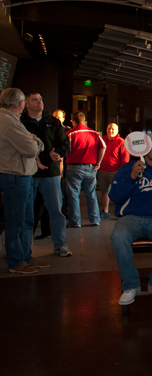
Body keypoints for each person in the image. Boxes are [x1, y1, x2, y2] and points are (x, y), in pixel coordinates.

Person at [110, 133, 152, 305]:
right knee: (118, 236)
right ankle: (131, 285)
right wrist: (131, 177)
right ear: (144, 147)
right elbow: (115, 197)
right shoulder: (128, 167)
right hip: (132, 217)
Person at [0, 87, 47, 274]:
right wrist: (34, 141)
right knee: (16, 220)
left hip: (23, 176)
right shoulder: (8, 122)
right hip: (15, 177)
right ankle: (16, 260)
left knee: (27, 220)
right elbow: (31, 149)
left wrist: (33, 140)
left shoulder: (13, 120)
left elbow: (35, 143)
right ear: (21, 103)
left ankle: (25, 256)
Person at [20, 91, 72, 257]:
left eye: (41, 99)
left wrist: (57, 153)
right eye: (34, 100)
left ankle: (60, 245)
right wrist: (38, 156)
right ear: (26, 103)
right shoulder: (21, 121)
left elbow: (65, 143)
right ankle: (25, 247)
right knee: (28, 211)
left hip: (51, 173)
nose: (39, 102)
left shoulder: (53, 122)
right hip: (29, 173)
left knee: (56, 210)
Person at [64, 112, 106, 228]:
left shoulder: (70, 134)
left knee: (73, 195)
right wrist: (98, 162)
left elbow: (65, 150)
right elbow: (103, 146)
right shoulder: (94, 133)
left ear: (73, 121)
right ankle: (95, 219)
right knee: (91, 194)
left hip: (74, 167)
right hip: (91, 167)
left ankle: (75, 221)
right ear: (84, 120)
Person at [98, 123, 129, 218]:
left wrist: (122, 172)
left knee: (118, 192)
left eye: (113, 129)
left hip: (115, 171)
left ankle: (120, 212)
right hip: (103, 170)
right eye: (109, 129)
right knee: (104, 192)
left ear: (117, 131)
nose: (110, 131)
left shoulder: (121, 142)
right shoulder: (102, 140)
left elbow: (125, 158)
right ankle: (105, 211)